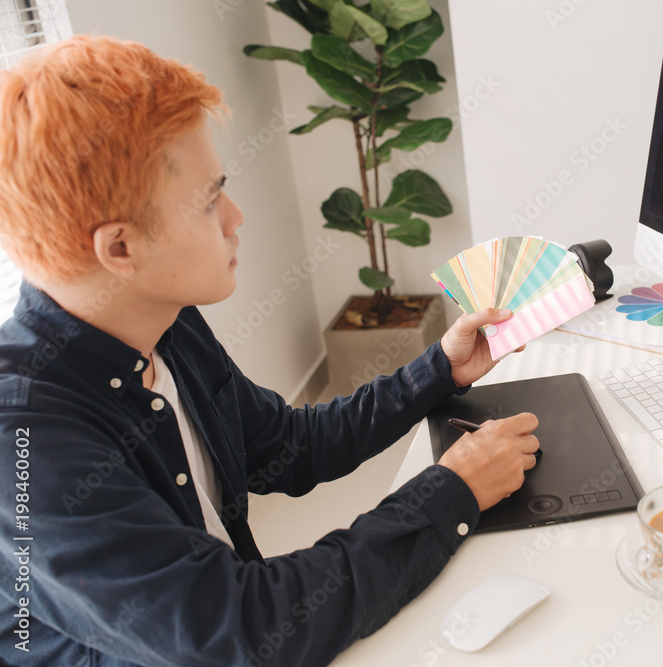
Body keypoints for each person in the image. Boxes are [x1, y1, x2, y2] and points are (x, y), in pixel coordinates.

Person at [0, 35, 539, 666]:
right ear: (119, 249)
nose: (236, 217)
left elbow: (284, 446)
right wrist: (451, 491)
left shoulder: (164, 322)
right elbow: (243, 631)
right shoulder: (25, 441)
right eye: (208, 201)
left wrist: (437, 370)